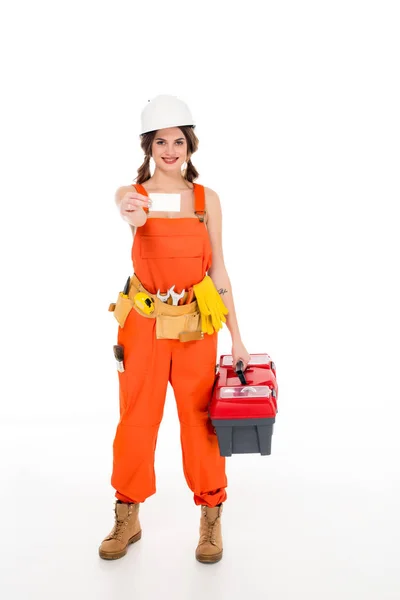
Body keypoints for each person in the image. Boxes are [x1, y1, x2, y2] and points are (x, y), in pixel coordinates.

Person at [99, 94, 251, 563]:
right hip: (143, 329)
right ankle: (128, 513)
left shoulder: (207, 201)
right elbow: (130, 211)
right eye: (160, 141)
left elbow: (219, 270)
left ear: (190, 144)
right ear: (148, 146)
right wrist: (132, 210)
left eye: (178, 140)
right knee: (136, 423)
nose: (170, 149)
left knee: (201, 424)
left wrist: (237, 336)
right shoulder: (133, 194)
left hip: (194, 328)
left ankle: (211, 517)